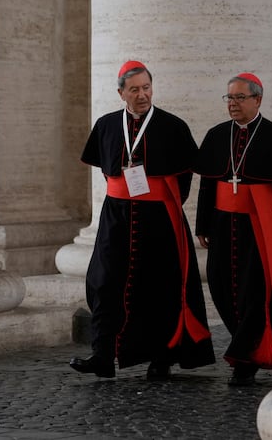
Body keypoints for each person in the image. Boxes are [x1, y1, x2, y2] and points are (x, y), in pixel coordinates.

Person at [70, 60, 215, 380]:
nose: (142, 95)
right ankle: (103, 355)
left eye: (146, 88)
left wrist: (164, 202)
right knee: (104, 282)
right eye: (134, 89)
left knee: (160, 286)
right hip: (115, 216)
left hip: (159, 218)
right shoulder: (107, 124)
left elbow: (186, 176)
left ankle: (162, 357)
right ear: (121, 92)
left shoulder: (173, 126)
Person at [194, 72, 272, 386]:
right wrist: (201, 224)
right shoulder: (216, 135)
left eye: (239, 97)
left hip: (259, 222)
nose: (233, 104)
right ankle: (246, 345)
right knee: (219, 285)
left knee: (255, 292)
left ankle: (244, 359)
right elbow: (206, 183)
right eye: (229, 98)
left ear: (258, 99)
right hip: (220, 220)